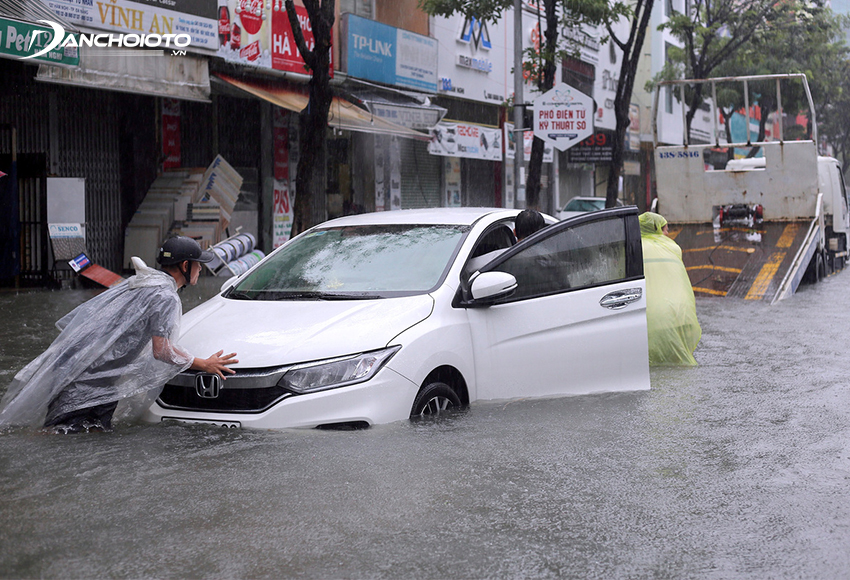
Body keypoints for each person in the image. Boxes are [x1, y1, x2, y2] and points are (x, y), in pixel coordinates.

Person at [0, 236, 238, 433]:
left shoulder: (143, 282)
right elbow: (162, 351)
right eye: (198, 264)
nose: (200, 269)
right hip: (89, 381)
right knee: (57, 437)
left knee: (85, 438)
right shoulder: (165, 297)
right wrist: (203, 364)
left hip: (87, 374)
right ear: (185, 266)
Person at [639, 212, 701, 366]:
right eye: (665, 230)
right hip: (680, 313)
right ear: (657, 229)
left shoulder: (633, 249)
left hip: (648, 316)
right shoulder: (673, 248)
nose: (667, 234)